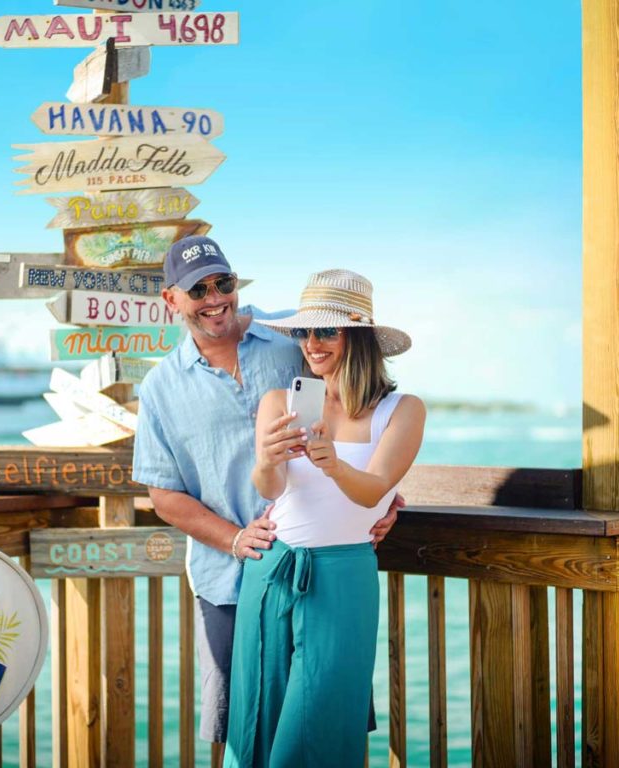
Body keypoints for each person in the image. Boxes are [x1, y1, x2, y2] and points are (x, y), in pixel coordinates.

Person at [132, 238, 401, 763]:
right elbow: (162, 494)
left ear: (236, 283)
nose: (215, 299)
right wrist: (233, 539)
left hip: (322, 576)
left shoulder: (298, 334)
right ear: (172, 300)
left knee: (325, 724)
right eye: (197, 289)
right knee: (245, 735)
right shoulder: (161, 386)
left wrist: (383, 494)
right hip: (227, 583)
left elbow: (373, 411)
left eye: (223, 283)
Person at [224, 269, 426, 768]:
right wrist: (268, 461)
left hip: (343, 577)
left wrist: (333, 463)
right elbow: (269, 490)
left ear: (356, 337)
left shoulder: (402, 410)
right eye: (303, 332)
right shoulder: (280, 401)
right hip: (272, 570)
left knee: (315, 730)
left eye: (326, 331)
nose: (311, 344)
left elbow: (375, 492)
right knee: (255, 724)